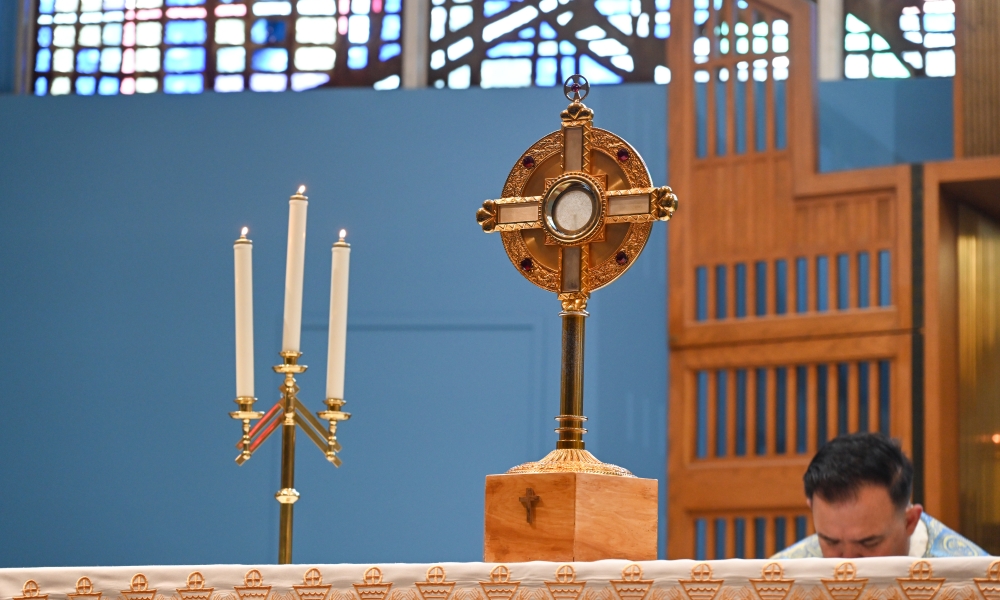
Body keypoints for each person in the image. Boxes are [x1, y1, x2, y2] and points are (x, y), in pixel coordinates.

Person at [773, 432, 988, 558]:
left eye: (868, 543)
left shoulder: (973, 582)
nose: (848, 563)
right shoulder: (781, 578)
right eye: (830, 541)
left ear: (910, 521)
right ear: (812, 508)